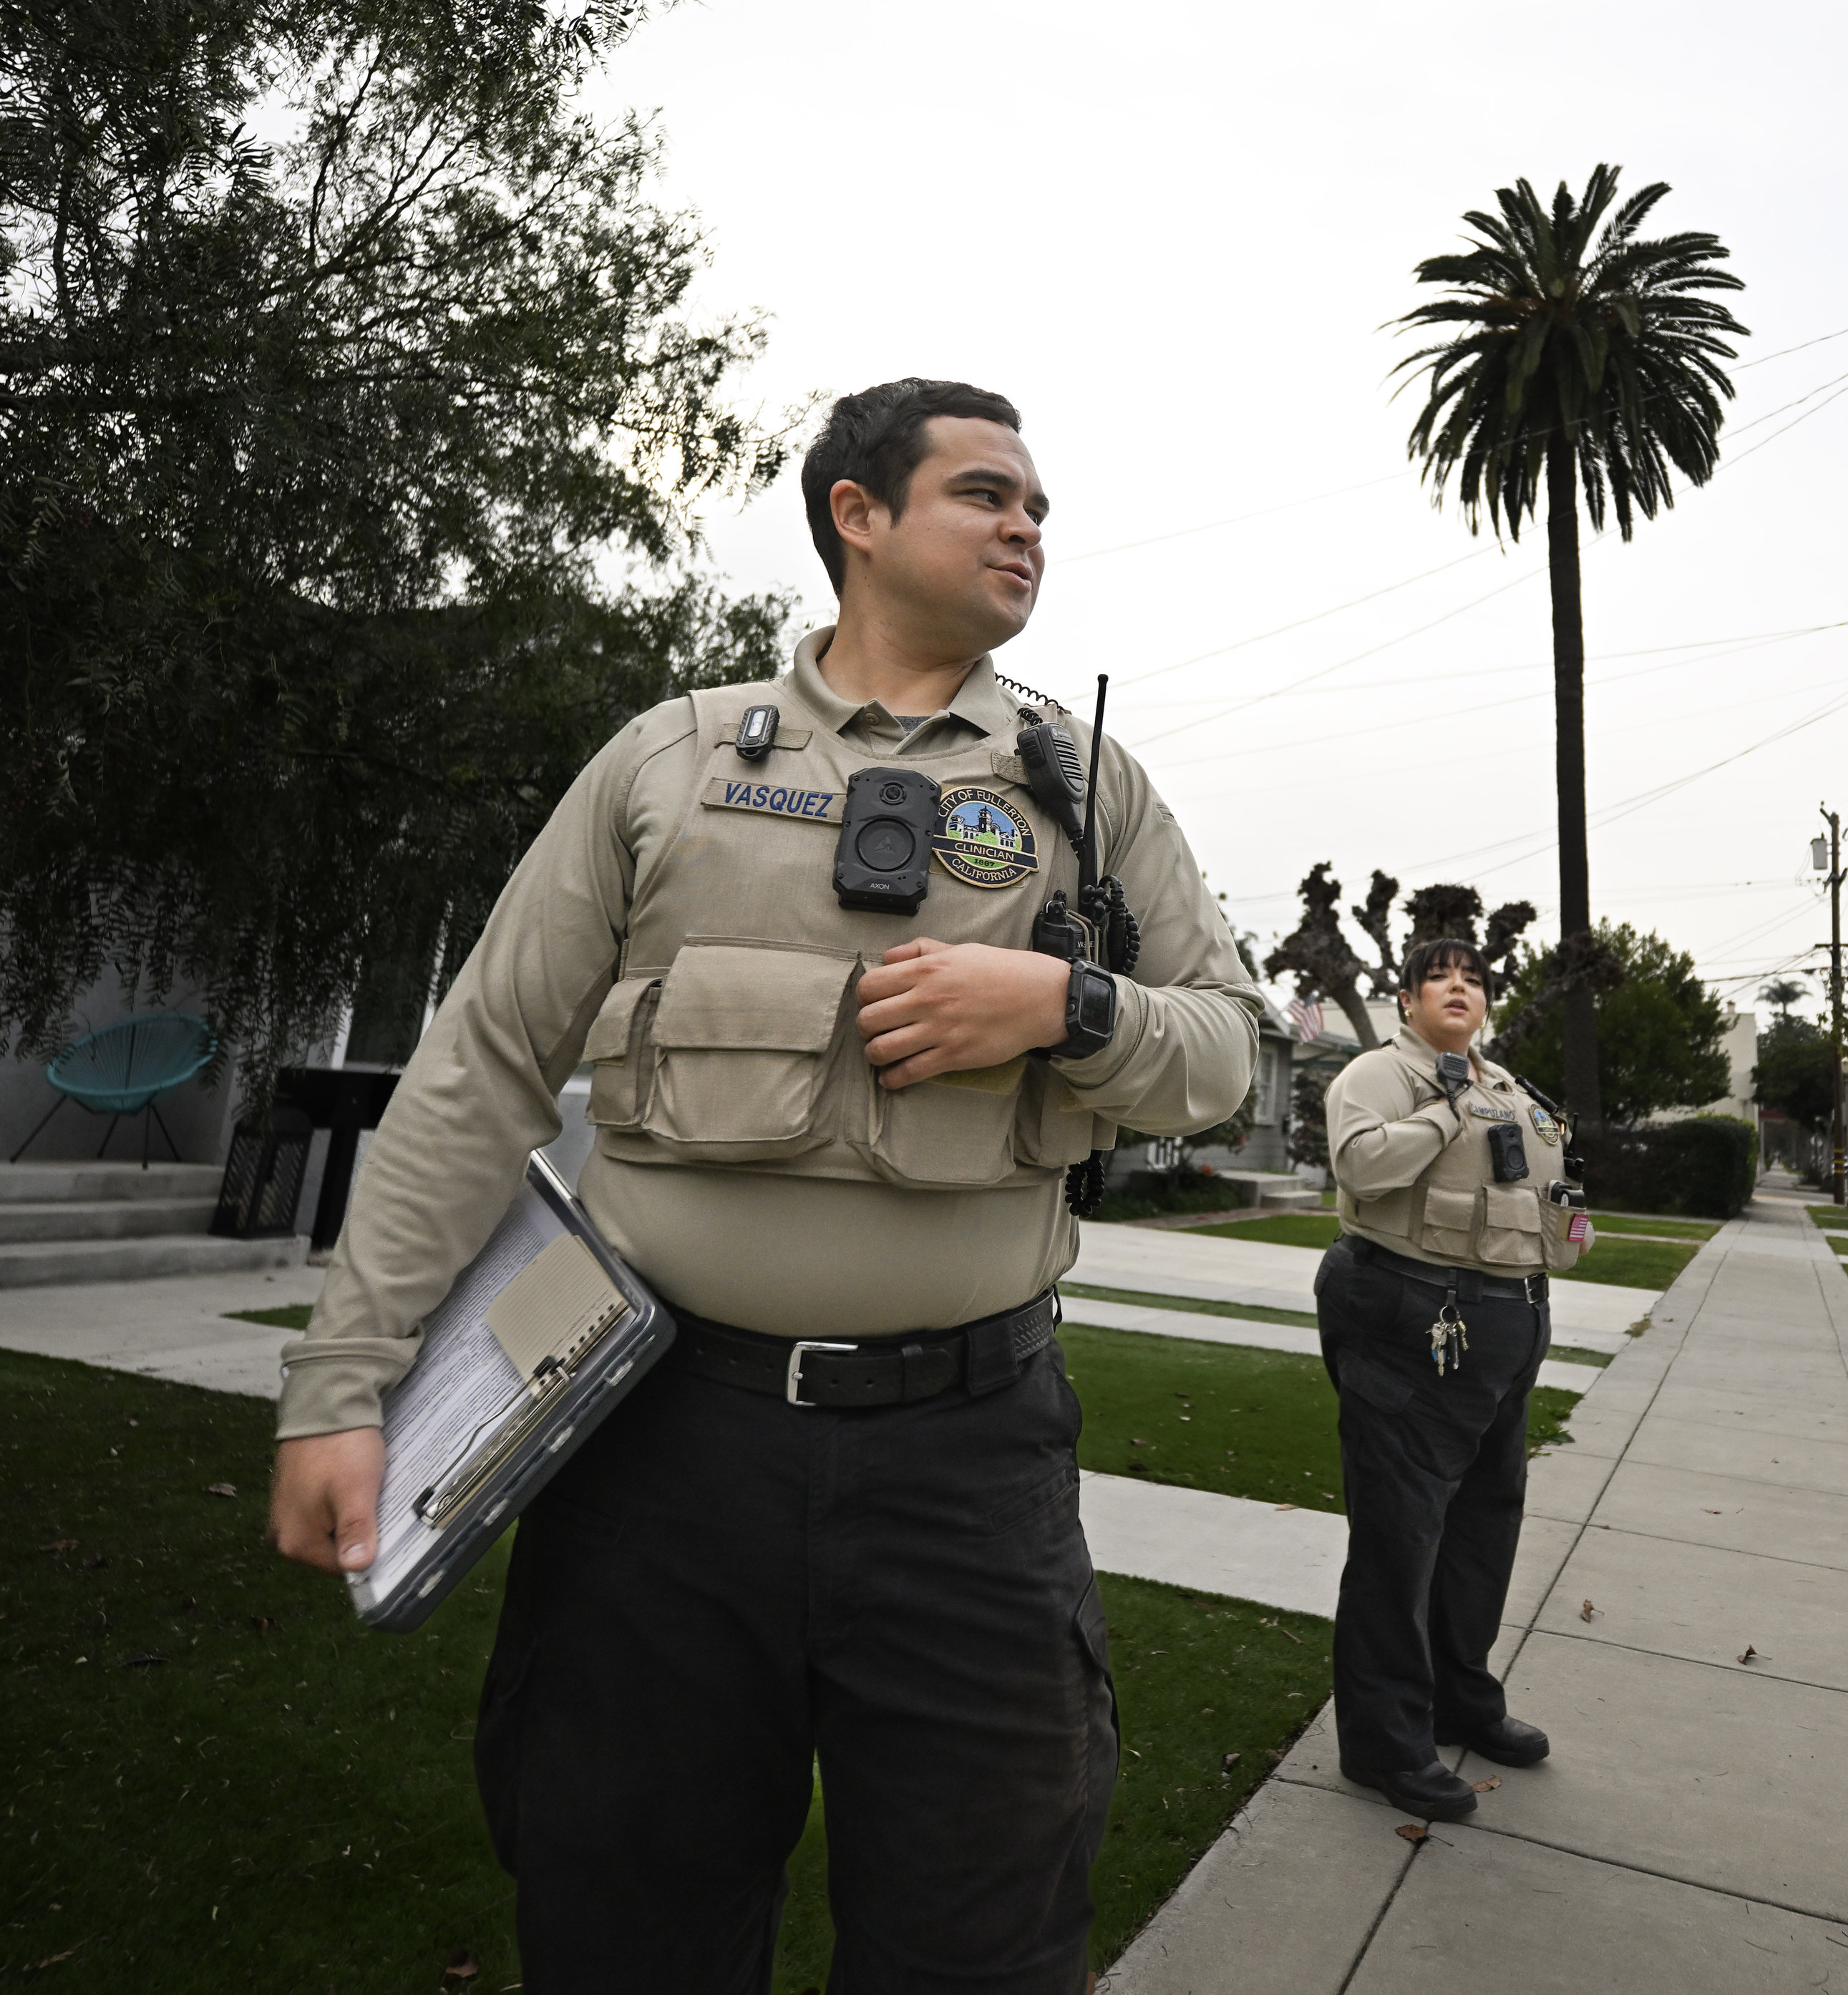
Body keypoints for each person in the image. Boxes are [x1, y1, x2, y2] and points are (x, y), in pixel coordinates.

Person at [263, 377, 1259, 1993]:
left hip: (970, 1469)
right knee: (623, 1922)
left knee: (981, 1937)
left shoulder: (1088, 791)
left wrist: (1060, 1007)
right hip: (658, 1456)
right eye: (984, 496)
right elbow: (482, 1066)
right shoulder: (669, 763)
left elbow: (1224, 1053)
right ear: (857, 518)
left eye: (1038, 510)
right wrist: (340, 1380)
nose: (1026, 528)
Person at [1315, 940, 1583, 1822]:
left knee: (1482, 1525)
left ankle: (1459, 1694)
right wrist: (1448, 1105)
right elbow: (1360, 1167)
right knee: (1400, 1536)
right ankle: (1386, 1744)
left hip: (1506, 1325)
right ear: (1405, 999)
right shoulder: (1380, 1076)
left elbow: (1530, 1191)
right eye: (1441, 977)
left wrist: (1566, 1233)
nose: (1460, 987)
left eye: (1474, 979)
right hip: (1413, 1318)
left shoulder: (1510, 1086)